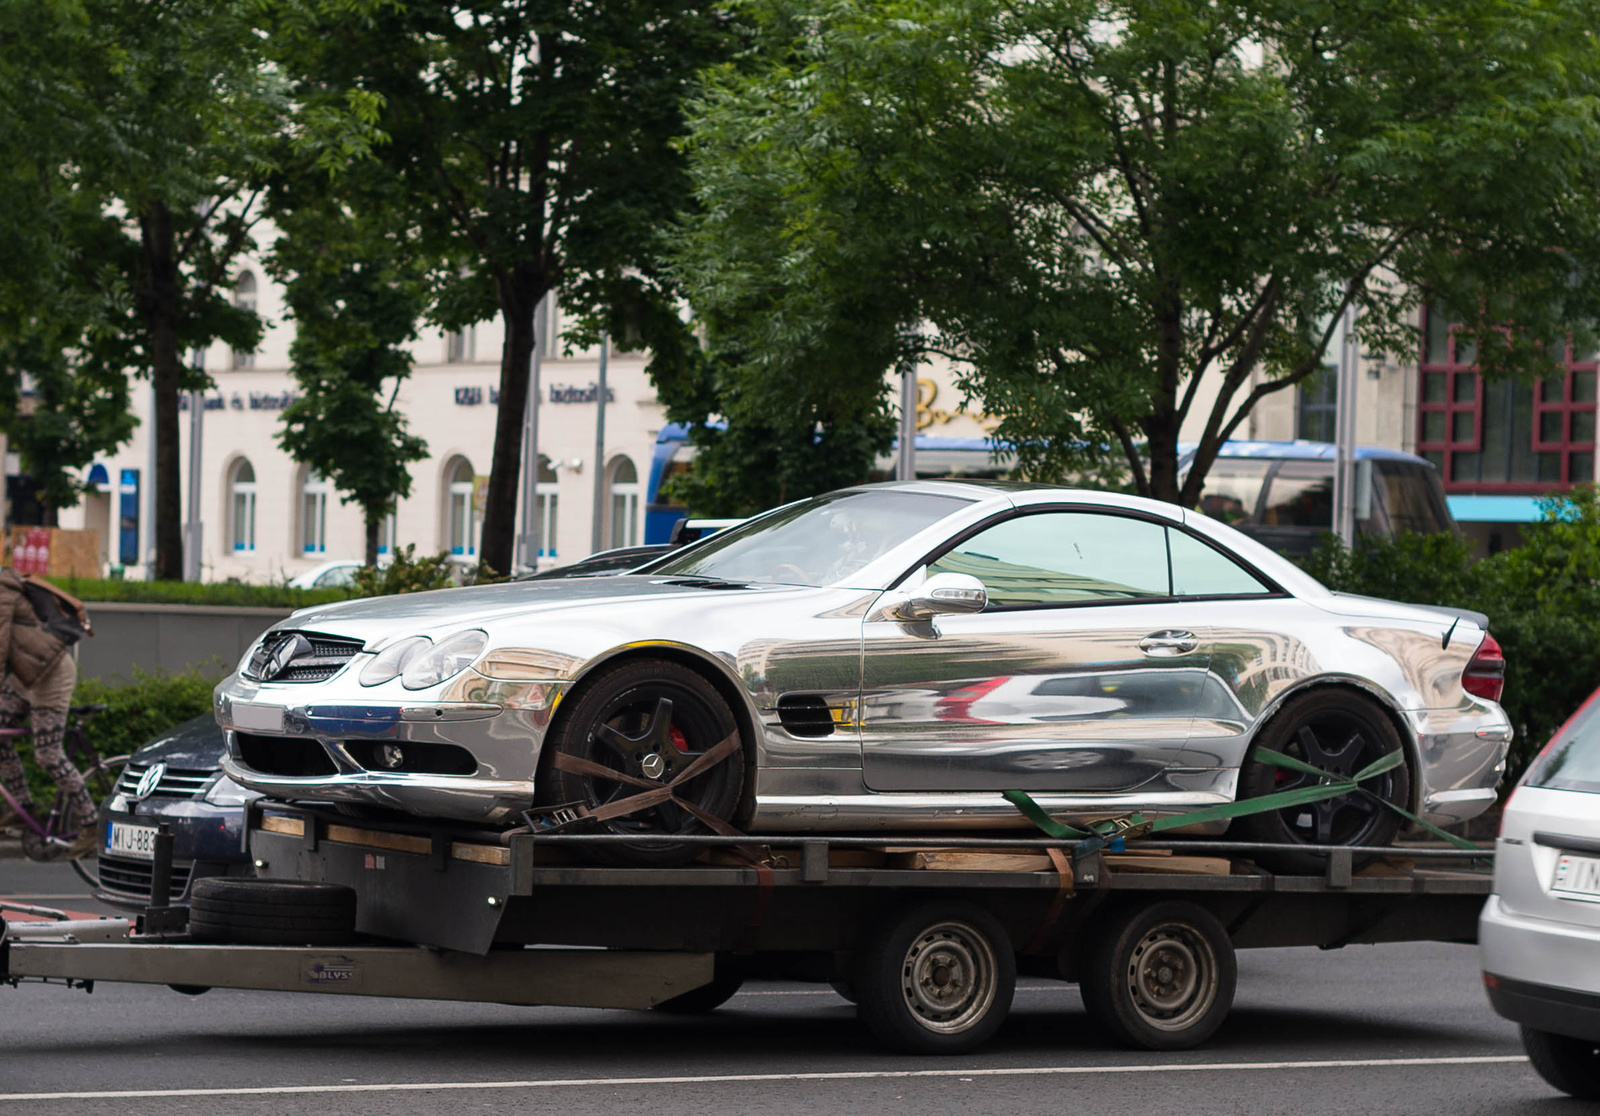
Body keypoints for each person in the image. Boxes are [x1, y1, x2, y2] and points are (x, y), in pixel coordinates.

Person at [0, 568, 95, 859]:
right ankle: (24, 806)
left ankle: (90, 823)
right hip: (28, 673)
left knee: (47, 755)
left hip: (51, 672)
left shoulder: (3, 593)